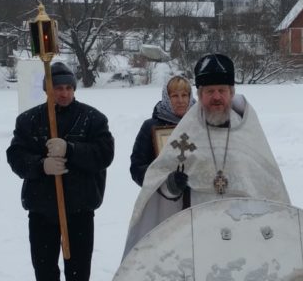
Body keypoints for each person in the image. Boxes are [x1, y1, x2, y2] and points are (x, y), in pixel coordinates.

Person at [123, 53, 290, 256]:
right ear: (200, 95)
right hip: (196, 232)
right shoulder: (187, 131)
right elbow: (156, 177)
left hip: (245, 232)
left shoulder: (248, 130)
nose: (216, 97)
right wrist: (170, 185)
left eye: (222, 90)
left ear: (231, 92)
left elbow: (268, 183)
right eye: (210, 91)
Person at [6, 62, 114, 281]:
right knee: (45, 271)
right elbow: (16, 156)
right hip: (42, 210)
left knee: (78, 272)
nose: (63, 93)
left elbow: (104, 154)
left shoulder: (93, 119)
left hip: (79, 209)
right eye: (57, 88)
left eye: (68, 88)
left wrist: (72, 149)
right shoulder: (29, 120)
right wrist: (40, 165)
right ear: (47, 89)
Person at [130, 75, 196, 186]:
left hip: (198, 197)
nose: (180, 100)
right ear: (166, 98)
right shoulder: (150, 127)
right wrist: (165, 180)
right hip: (164, 198)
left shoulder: (201, 123)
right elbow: (137, 168)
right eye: (174, 96)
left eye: (184, 95)